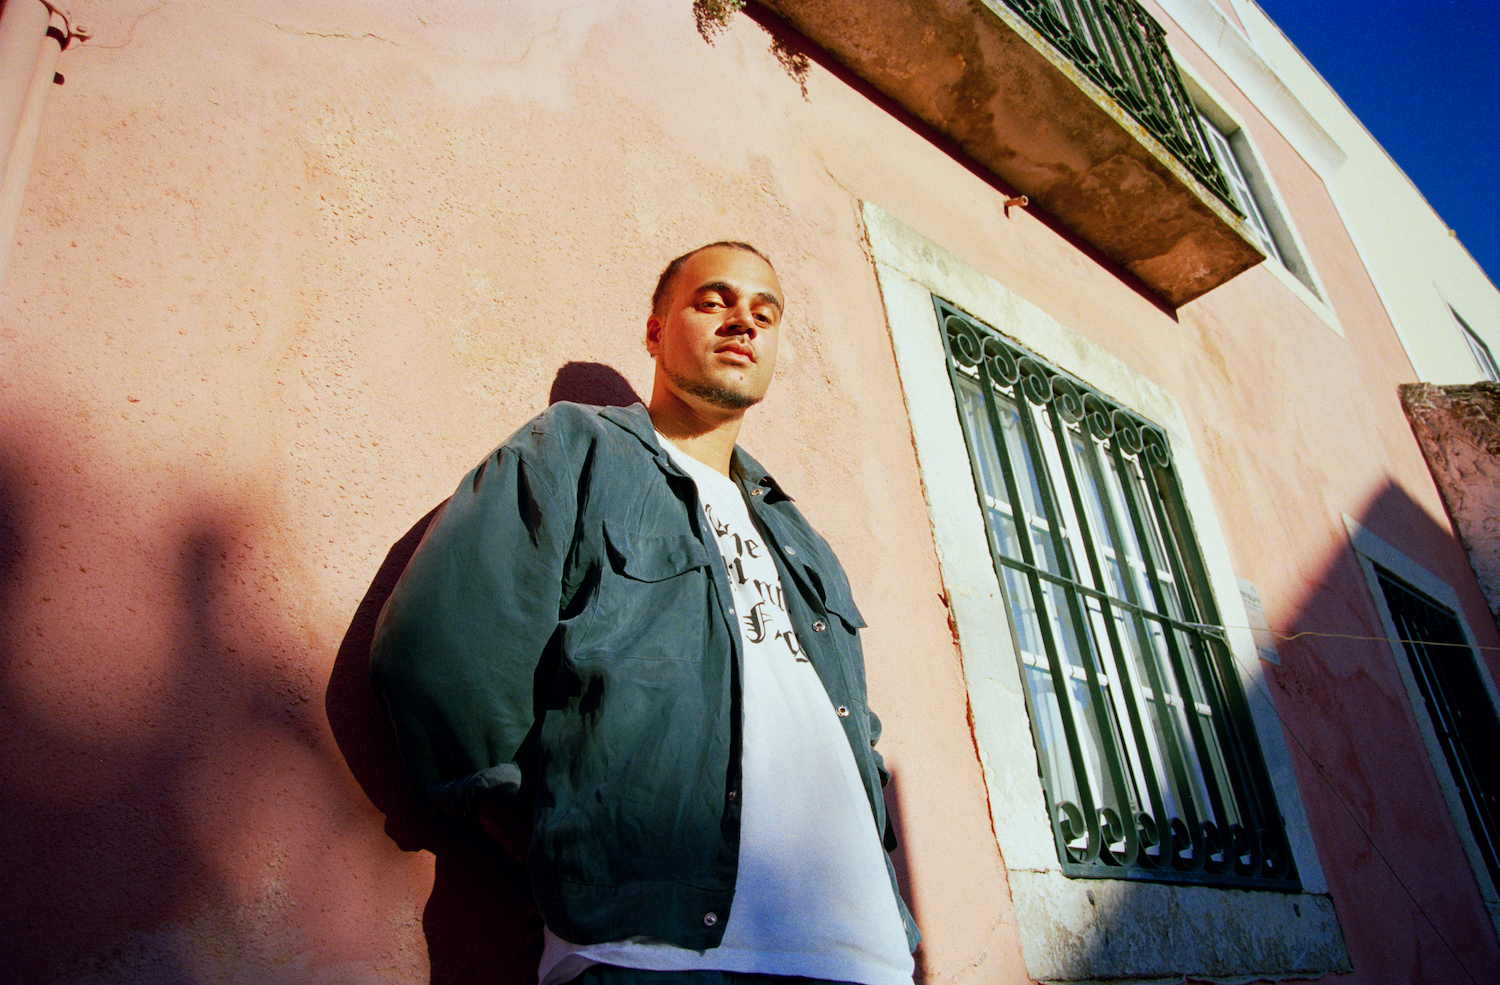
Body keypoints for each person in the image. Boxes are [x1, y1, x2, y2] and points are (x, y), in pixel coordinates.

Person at [370, 242, 919, 985]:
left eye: (765, 313)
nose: (742, 323)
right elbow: (438, 652)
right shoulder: (574, 449)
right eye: (714, 301)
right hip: (651, 953)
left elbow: (854, 731)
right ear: (656, 331)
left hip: (866, 957)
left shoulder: (801, 536)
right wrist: (561, 839)